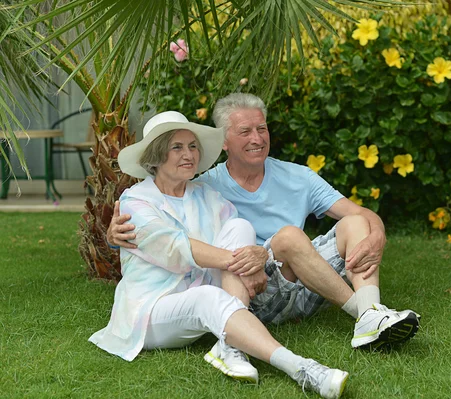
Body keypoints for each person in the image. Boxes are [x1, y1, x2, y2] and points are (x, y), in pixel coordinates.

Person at [108, 93, 420, 350]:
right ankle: (365, 313)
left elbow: (360, 213)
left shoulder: (298, 176)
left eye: (262, 128)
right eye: (245, 131)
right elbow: (167, 223)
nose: (257, 138)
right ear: (225, 142)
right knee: (288, 237)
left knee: (355, 224)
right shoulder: (205, 186)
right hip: (254, 287)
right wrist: (115, 233)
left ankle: (370, 314)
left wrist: (377, 233)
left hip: (311, 282)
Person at [91, 111, 349, 399]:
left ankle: (230, 347)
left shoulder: (206, 195)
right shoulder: (135, 202)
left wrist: (256, 257)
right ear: (156, 156)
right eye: (176, 147)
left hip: (205, 289)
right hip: (152, 307)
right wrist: (247, 264)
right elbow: (177, 248)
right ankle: (302, 369)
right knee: (209, 297)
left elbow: (238, 237)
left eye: (192, 146)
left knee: (239, 225)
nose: (188, 154)